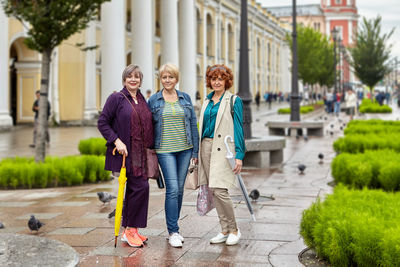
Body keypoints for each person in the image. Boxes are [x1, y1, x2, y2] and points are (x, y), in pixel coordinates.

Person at [98, 64, 153, 248]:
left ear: (140, 80)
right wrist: (116, 141)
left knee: (136, 190)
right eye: (130, 76)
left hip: (141, 154)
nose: (133, 79)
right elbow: (103, 122)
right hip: (126, 153)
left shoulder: (141, 99)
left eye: (137, 77)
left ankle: (132, 230)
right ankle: (130, 230)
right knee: (140, 188)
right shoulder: (116, 98)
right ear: (124, 79)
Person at [148, 63, 199, 248]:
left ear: (176, 79)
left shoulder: (185, 98)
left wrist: (195, 151)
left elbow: (193, 124)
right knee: (173, 189)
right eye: (164, 77)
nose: (167, 80)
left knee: (179, 188)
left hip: (185, 149)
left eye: (171, 77)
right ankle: (173, 231)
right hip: (165, 149)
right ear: (160, 79)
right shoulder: (154, 100)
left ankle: (174, 227)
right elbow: (147, 126)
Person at [198, 64, 245, 246]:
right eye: (213, 78)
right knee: (214, 191)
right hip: (206, 148)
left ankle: (234, 229)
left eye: (220, 78)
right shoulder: (207, 101)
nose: (216, 82)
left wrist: (239, 154)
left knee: (221, 190)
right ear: (209, 81)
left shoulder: (234, 101)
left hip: (223, 149)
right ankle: (224, 230)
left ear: (227, 81)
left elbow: (239, 128)